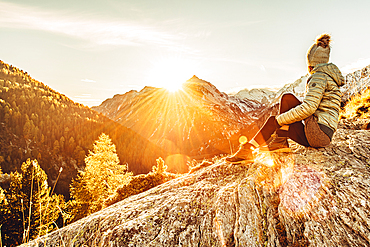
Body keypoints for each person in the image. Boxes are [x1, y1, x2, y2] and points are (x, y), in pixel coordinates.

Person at [226, 33, 345, 163]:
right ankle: (279, 142)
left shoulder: (318, 77)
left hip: (318, 134)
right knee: (287, 99)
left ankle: (248, 149)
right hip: (324, 133)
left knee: (273, 120)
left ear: (311, 64)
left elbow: (309, 108)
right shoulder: (329, 77)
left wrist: (279, 121)